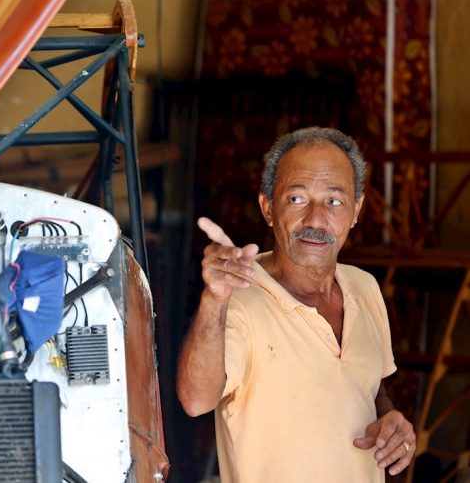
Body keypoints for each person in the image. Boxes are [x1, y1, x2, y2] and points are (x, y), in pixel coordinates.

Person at [177, 127, 415, 482]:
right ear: (268, 208)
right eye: (297, 199)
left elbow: (370, 386)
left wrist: (390, 418)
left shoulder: (364, 288)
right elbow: (196, 400)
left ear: (356, 210)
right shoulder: (239, 299)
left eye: (334, 201)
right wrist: (214, 299)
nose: (316, 220)